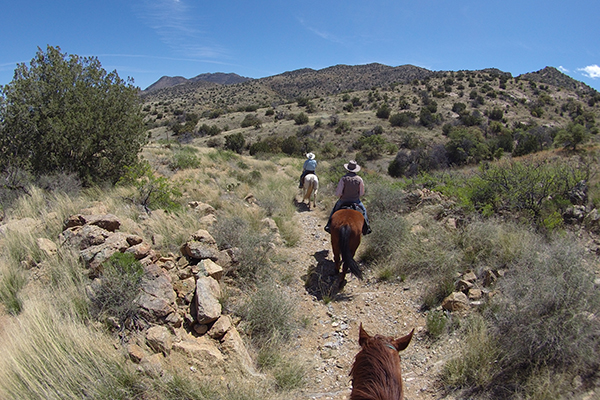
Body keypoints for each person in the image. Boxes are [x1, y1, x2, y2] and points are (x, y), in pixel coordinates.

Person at [324, 160, 371, 235]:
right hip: (356, 201)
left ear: (348, 169)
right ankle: (367, 228)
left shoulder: (343, 178)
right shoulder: (359, 179)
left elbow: (338, 193)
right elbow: (362, 193)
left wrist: (342, 196)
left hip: (343, 200)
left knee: (334, 210)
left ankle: (328, 226)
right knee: (364, 210)